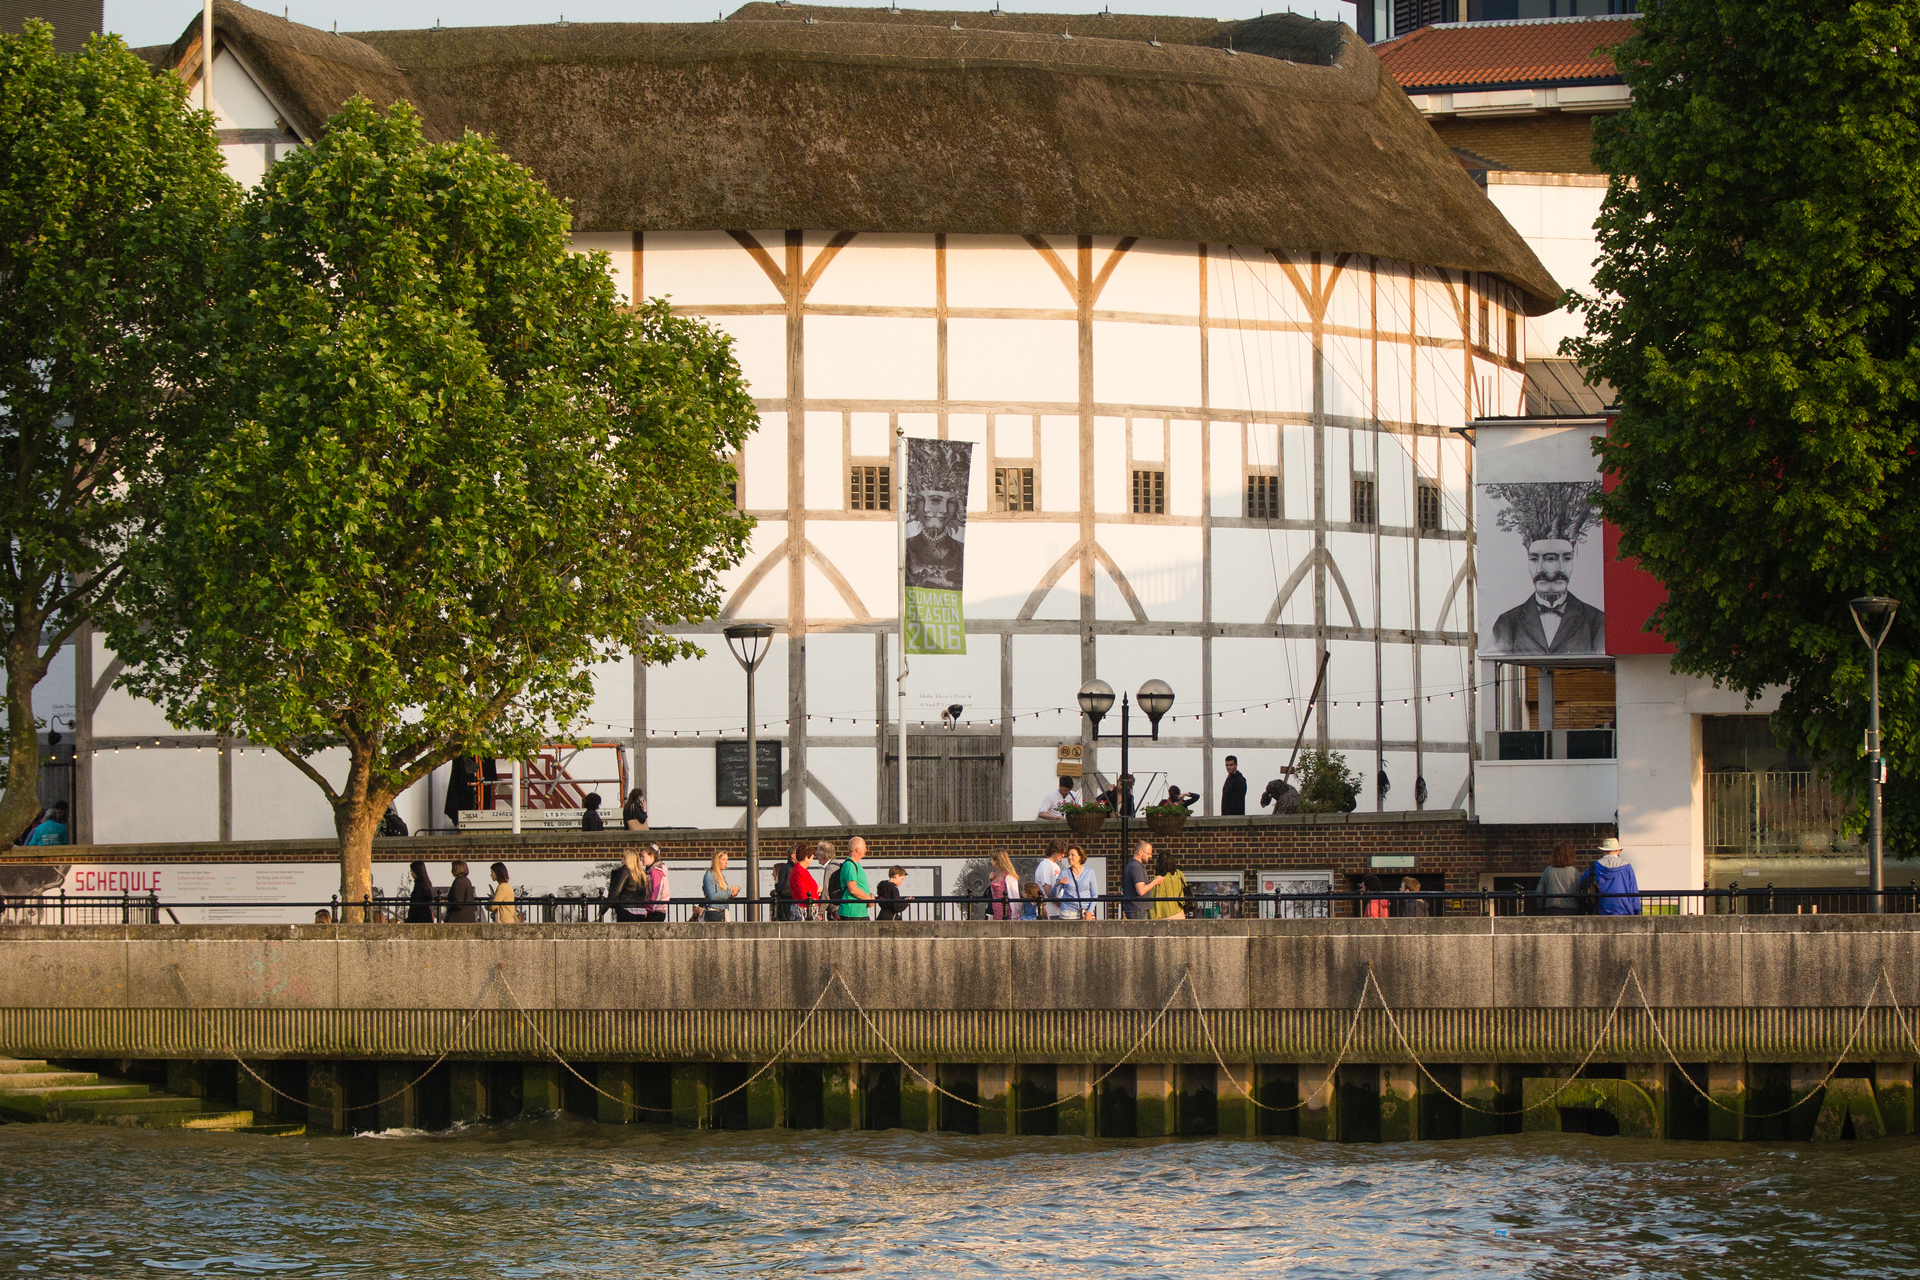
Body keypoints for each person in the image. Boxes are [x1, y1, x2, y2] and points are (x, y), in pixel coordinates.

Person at [1486, 485, 1605, 656]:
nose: (1551, 570)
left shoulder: (1597, 621)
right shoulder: (1507, 622)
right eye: (1535, 558)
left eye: (1566, 558)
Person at [1580, 836, 1641, 915]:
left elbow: (1583, 883)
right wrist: (1636, 910)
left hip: (1600, 909)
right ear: (1619, 851)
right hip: (1624, 910)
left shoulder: (1595, 866)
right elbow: (1633, 891)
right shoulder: (1627, 868)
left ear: (1603, 851)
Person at [1536, 839, 1581, 915]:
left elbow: (1539, 892)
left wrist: (1542, 907)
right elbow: (1579, 892)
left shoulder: (1548, 871)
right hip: (1571, 910)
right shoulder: (1574, 872)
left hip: (1552, 909)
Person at [1121, 840, 1162, 920]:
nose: (1150, 856)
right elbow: (1141, 890)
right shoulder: (1136, 867)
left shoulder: (1131, 865)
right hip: (1138, 909)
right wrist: (1155, 882)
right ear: (1140, 852)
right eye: (1148, 853)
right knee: (1141, 929)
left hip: (1135, 908)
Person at [836, 837, 875, 921]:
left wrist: (871, 894)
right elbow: (853, 889)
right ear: (858, 849)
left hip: (859, 911)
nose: (866, 849)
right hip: (852, 912)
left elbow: (860, 885)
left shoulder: (856, 865)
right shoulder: (850, 865)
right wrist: (869, 898)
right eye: (864, 847)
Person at [1057, 846, 1099, 921]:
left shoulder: (1089, 872)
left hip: (1085, 912)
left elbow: (1094, 894)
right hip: (1067, 913)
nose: (1069, 857)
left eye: (1072, 855)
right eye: (1068, 855)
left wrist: (1090, 911)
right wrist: (1058, 884)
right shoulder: (1064, 873)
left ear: (1080, 857)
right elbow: (1053, 894)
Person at [607, 850, 648, 922]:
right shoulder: (642, 874)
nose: (621, 859)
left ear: (627, 858)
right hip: (641, 911)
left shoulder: (625, 871)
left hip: (626, 909)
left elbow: (616, 891)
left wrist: (605, 907)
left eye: (622, 856)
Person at [1148, 847, 1187, 920]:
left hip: (1163, 915)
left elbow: (1152, 899)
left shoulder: (1157, 880)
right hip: (1179, 913)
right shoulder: (1179, 875)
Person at [1032, 840, 1066, 919]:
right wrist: (1063, 905)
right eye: (1060, 852)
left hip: (1058, 911)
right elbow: (1048, 892)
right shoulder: (1045, 865)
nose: (1063, 855)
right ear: (1054, 851)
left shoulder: (1056, 866)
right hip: (1049, 912)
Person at [702, 851, 740, 922]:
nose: (726, 862)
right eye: (723, 859)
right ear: (717, 861)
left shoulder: (721, 876)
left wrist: (732, 893)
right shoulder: (709, 875)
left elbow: (722, 894)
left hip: (724, 909)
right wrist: (729, 892)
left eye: (727, 860)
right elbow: (712, 896)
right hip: (714, 911)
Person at [789, 843, 822, 920]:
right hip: (802, 909)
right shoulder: (799, 872)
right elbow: (804, 894)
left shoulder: (801, 870)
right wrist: (817, 889)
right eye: (811, 858)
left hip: (806, 908)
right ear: (806, 858)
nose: (812, 860)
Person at [987, 850, 1021, 920]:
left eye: (991, 859)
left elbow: (1015, 897)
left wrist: (1014, 916)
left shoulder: (1009, 876)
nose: (990, 861)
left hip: (1006, 911)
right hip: (995, 910)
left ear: (997, 861)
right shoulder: (995, 874)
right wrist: (991, 880)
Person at [641, 844, 668, 922]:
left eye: (643, 856)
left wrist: (649, 909)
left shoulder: (655, 871)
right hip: (656, 910)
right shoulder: (652, 871)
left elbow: (656, 892)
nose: (641, 859)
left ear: (651, 856)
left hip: (656, 911)